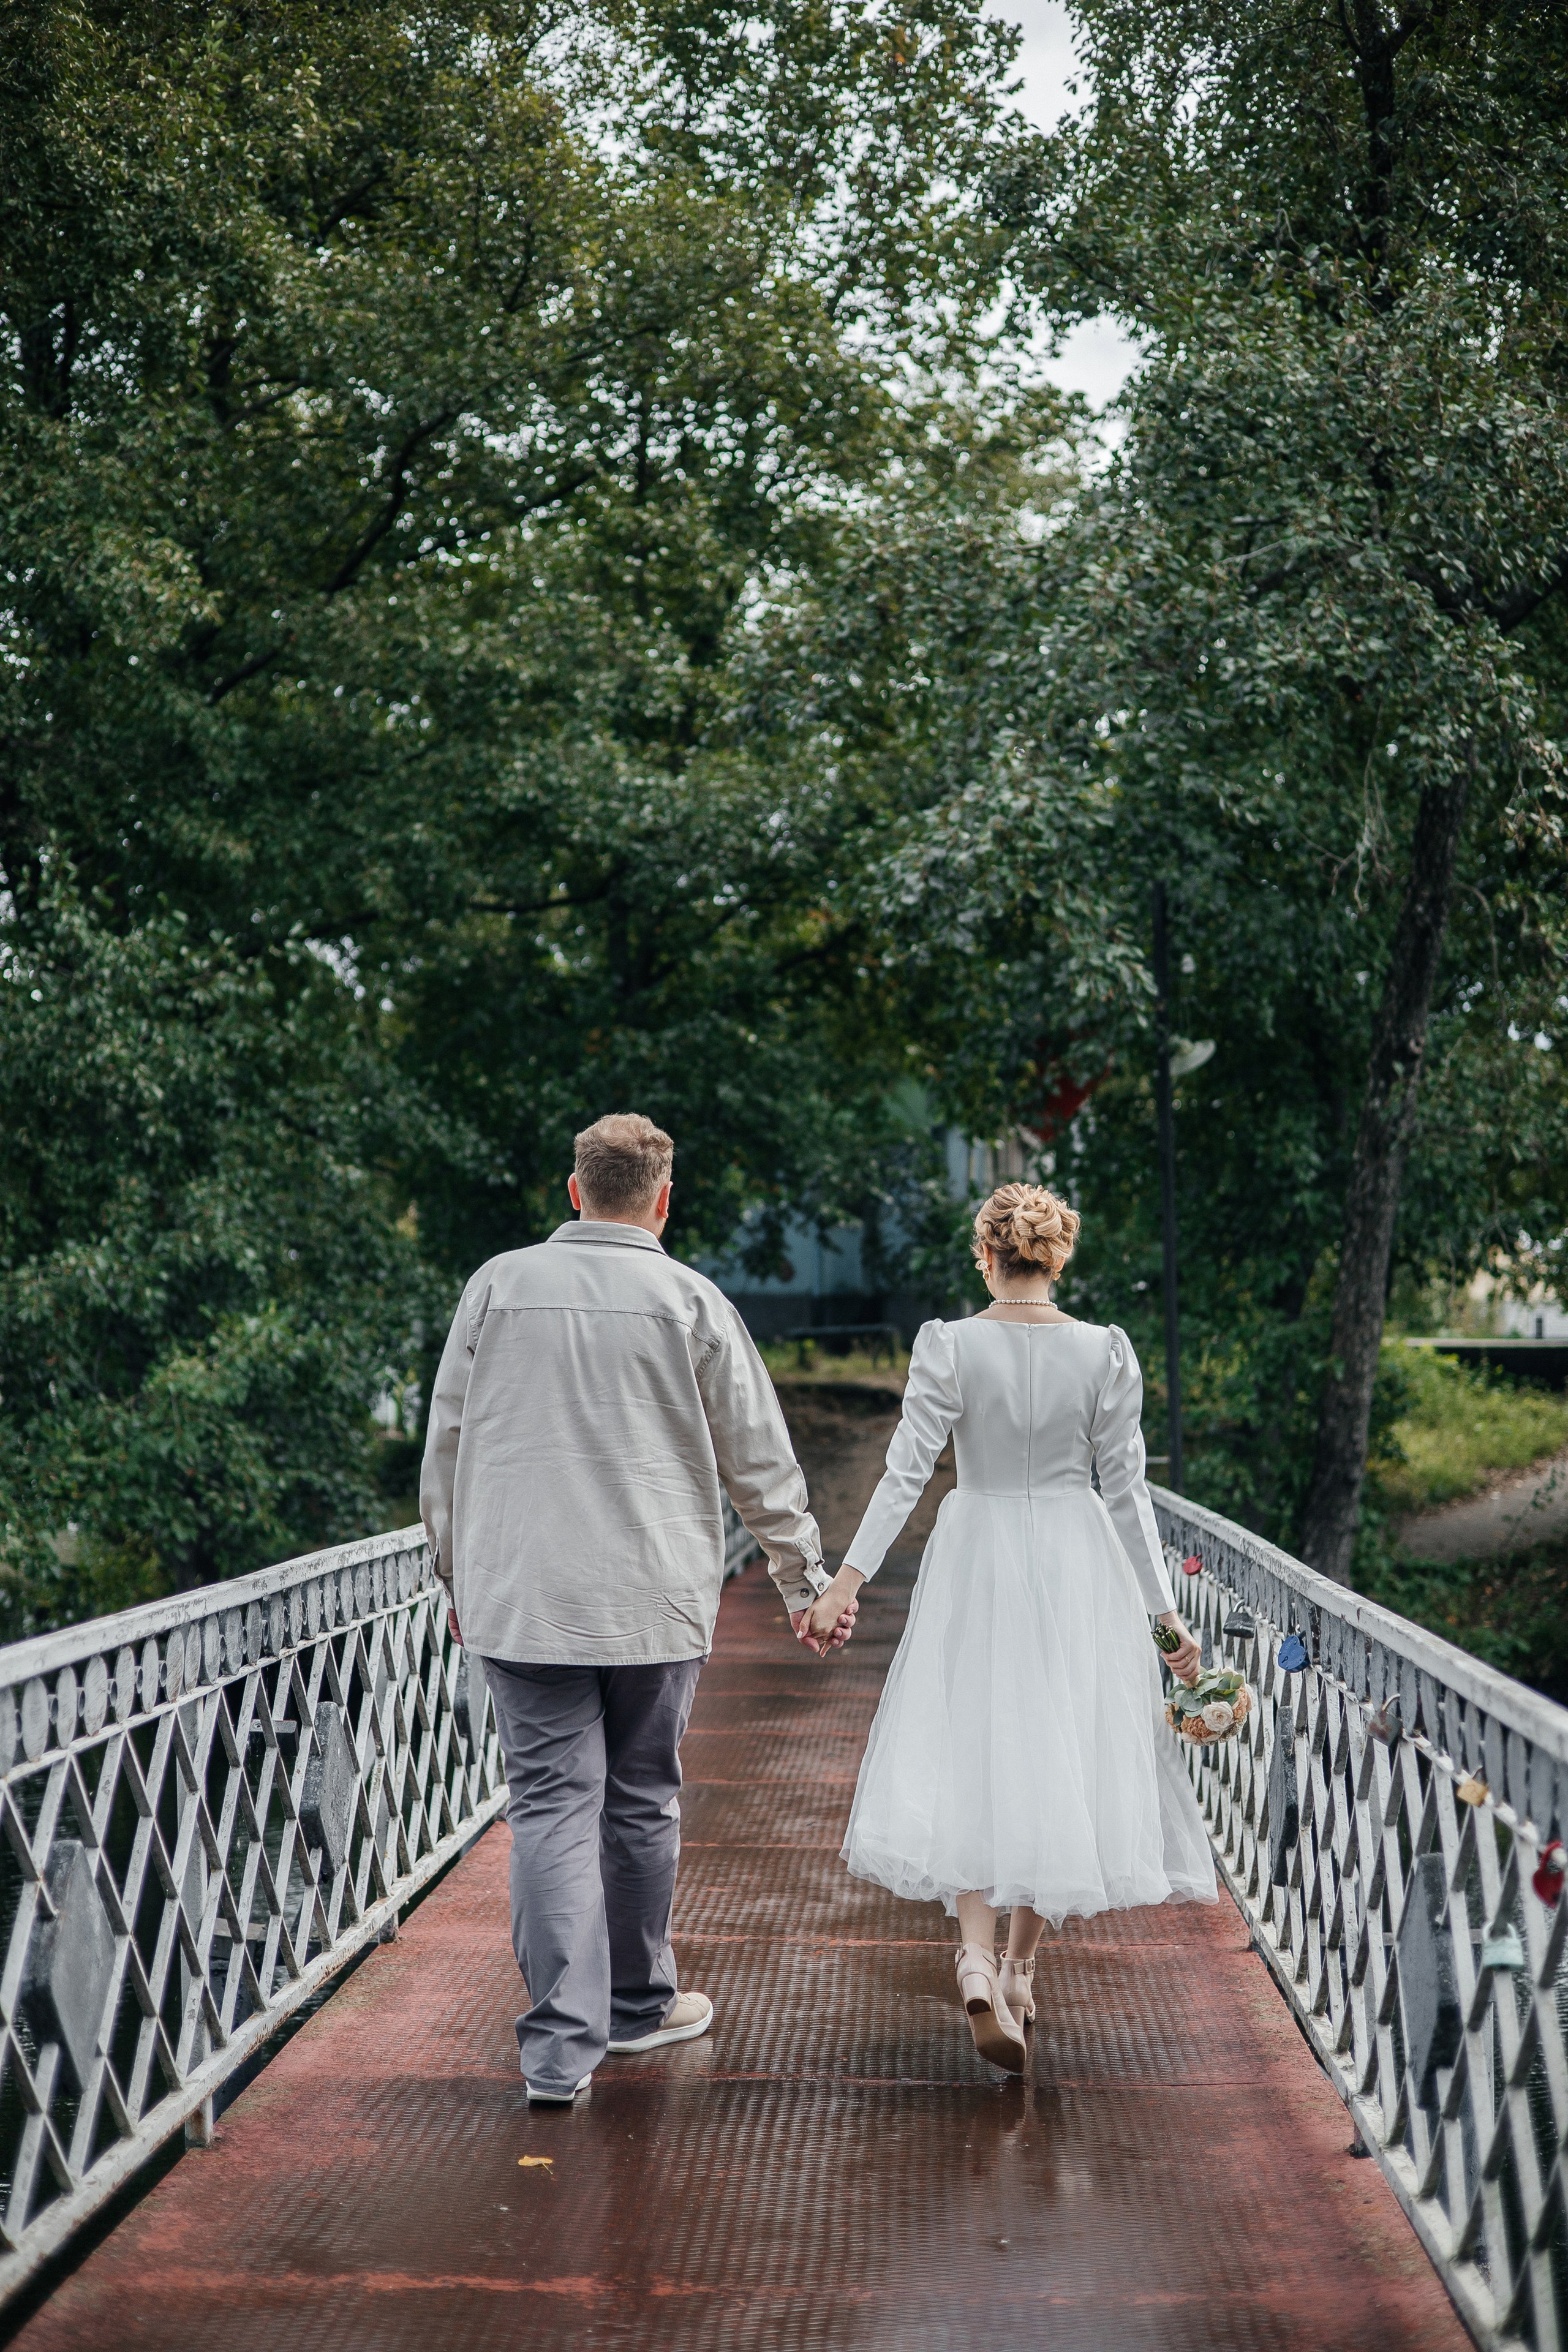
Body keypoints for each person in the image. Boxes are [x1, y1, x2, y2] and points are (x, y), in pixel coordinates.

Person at [420, 1112, 849, 2105]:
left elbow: (446, 1446)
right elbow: (759, 1457)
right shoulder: (690, 1298)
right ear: (662, 1200)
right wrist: (800, 1583)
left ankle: (555, 2055)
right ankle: (638, 2010)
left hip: (524, 1596)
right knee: (642, 1798)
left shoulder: (497, 1286)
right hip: (655, 1600)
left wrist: (454, 1573)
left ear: (574, 1191)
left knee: (548, 1809)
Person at [796, 1182, 1216, 2073]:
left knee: (974, 1743)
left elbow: (904, 1475)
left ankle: (978, 1958)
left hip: (978, 1549)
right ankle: (1022, 1969)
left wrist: (844, 1583)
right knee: (1060, 1747)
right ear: (1058, 1258)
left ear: (984, 1256)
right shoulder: (1105, 1353)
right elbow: (1129, 1495)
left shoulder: (949, 1346)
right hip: (1076, 1558)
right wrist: (1166, 1619)